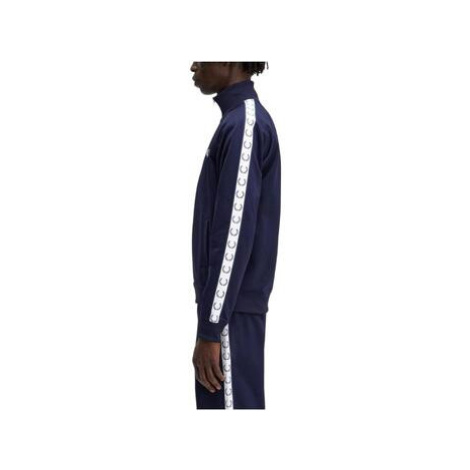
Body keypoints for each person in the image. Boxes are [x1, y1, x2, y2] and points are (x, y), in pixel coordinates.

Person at [190, 62, 281, 409]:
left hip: (229, 317)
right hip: (228, 311)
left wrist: (212, 327)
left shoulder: (244, 124)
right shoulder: (236, 122)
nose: (193, 65)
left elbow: (233, 232)